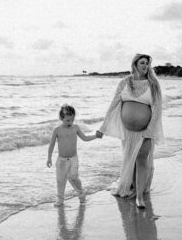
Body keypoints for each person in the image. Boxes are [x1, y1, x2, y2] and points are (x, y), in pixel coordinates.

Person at [96, 54, 164, 209]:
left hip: (145, 130)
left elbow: (157, 109)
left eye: (147, 63)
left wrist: (150, 131)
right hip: (128, 132)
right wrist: (103, 127)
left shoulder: (153, 84)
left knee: (141, 160)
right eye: (142, 62)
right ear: (134, 64)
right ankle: (133, 189)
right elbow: (113, 104)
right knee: (131, 160)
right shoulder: (124, 82)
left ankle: (140, 197)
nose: (145, 65)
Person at [46, 104, 99, 203]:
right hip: (61, 160)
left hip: (74, 159)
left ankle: (81, 193)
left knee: (74, 177)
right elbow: (51, 145)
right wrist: (49, 158)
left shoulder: (76, 128)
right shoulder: (57, 130)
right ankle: (60, 199)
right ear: (61, 118)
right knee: (60, 180)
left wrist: (96, 136)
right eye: (67, 120)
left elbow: (85, 138)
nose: (70, 122)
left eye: (72, 120)